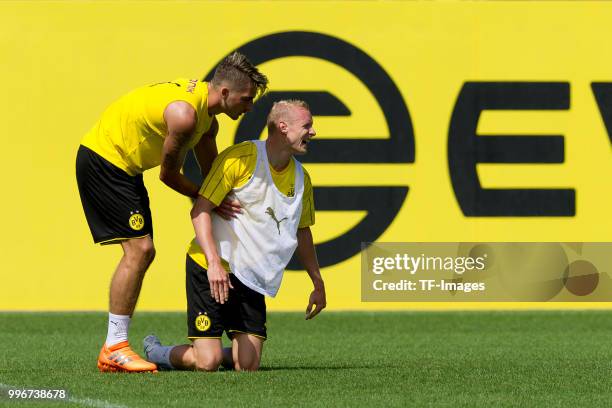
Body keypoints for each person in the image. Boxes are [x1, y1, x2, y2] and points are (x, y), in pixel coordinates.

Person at [76, 52, 268, 373]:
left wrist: (231, 202)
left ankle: (119, 347)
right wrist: (207, 200)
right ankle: (115, 347)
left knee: (143, 251)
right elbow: (168, 176)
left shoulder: (208, 121)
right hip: (105, 160)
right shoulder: (185, 116)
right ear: (224, 93)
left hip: (126, 167)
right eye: (246, 100)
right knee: (141, 250)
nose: (249, 108)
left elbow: (214, 175)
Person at [144, 100, 327, 372]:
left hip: (250, 276)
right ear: (283, 127)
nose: (313, 132)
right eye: (307, 125)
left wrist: (317, 282)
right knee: (208, 363)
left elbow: (303, 231)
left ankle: (218, 351)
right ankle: (157, 352)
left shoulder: (302, 178)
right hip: (210, 267)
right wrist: (214, 263)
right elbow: (200, 212)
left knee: (248, 366)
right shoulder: (239, 159)